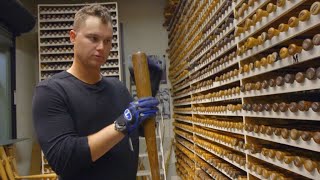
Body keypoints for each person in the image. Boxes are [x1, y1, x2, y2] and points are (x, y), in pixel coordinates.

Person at [32, 4, 159, 180]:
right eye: (93, 38)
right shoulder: (51, 92)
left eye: (107, 41)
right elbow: (63, 159)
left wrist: (150, 94)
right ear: (73, 37)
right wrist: (121, 125)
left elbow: (143, 131)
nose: (101, 47)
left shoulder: (118, 88)